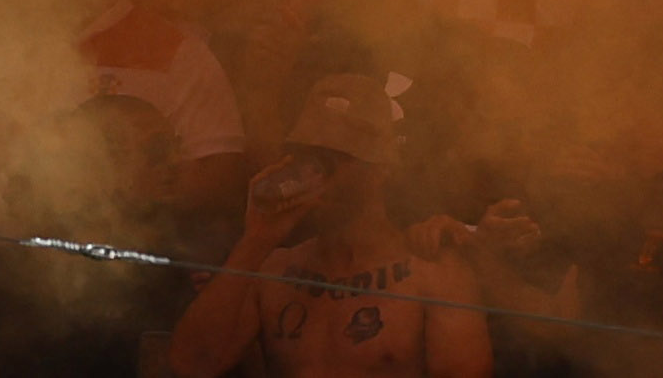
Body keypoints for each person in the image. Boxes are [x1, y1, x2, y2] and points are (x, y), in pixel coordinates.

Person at [159, 74, 485, 378]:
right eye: (307, 156)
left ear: (381, 169)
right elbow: (191, 365)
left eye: (334, 157)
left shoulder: (434, 277)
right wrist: (256, 241)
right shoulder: (272, 271)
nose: (318, 173)